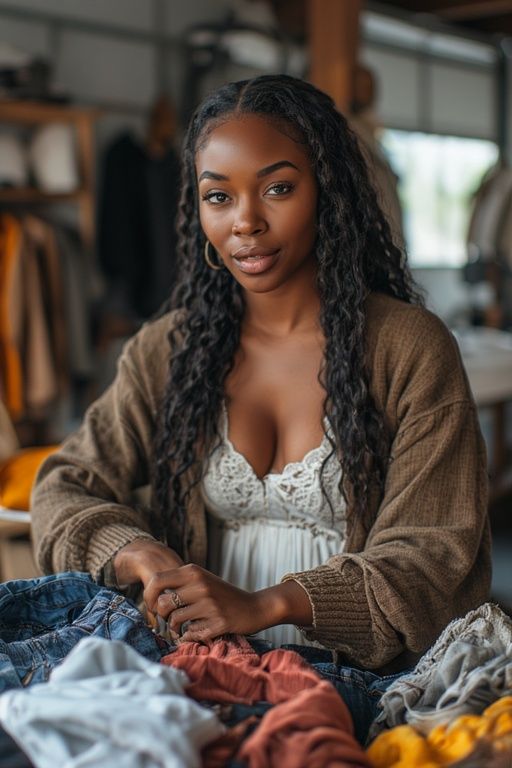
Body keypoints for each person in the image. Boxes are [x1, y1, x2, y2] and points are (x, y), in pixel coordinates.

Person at [31, 74, 490, 732]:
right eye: (220, 195)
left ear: (327, 190)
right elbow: (63, 487)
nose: (245, 220)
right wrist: (140, 553)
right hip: (205, 677)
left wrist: (265, 604)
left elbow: (431, 556)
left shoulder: (409, 348)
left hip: (373, 680)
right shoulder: (169, 350)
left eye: (278, 187)